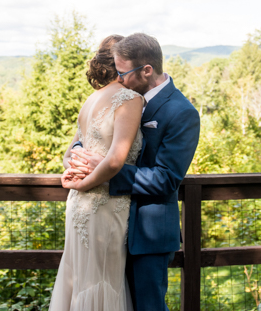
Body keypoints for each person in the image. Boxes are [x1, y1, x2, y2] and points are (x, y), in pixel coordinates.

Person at [69, 33, 201, 311]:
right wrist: (80, 155)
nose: (118, 78)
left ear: (147, 70)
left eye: (122, 72)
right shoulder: (126, 98)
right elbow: (99, 136)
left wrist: (106, 169)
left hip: (148, 232)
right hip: (110, 224)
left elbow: (165, 179)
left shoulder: (181, 112)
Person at [49, 34, 143, 311]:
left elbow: (69, 155)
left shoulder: (92, 99)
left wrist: (73, 174)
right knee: (104, 279)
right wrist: (84, 183)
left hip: (79, 206)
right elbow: (114, 162)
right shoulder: (130, 98)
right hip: (105, 203)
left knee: (80, 279)